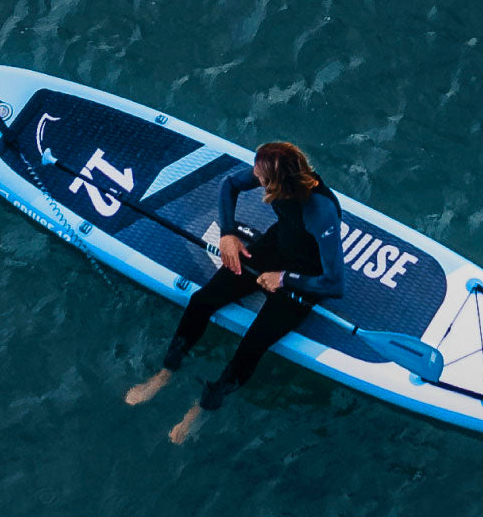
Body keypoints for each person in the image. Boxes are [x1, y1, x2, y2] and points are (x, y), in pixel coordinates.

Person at [126, 141, 344, 443]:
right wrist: (228, 233)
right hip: (274, 248)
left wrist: (283, 279)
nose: (253, 174)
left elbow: (334, 283)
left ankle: (203, 407)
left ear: (277, 182)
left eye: (260, 173)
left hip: (305, 276)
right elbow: (229, 184)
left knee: (251, 344)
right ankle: (166, 373)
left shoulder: (321, 211)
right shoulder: (274, 173)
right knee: (201, 301)